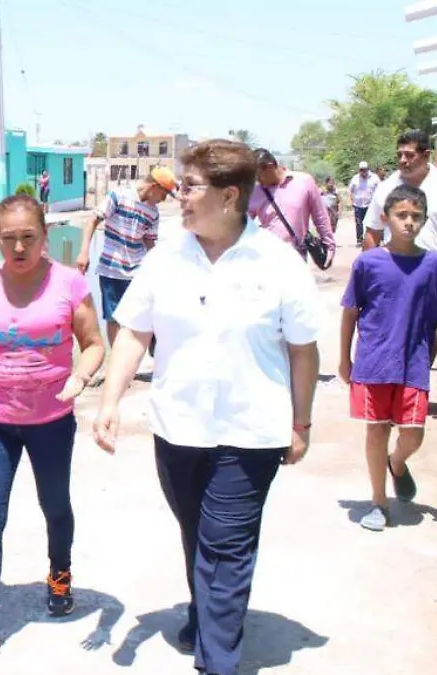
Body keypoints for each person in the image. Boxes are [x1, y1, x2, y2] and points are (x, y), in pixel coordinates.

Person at [93, 140, 322, 675]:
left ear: (229, 195)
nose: (180, 197)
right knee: (196, 532)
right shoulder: (166, 257)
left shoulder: (279, 263)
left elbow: (303, 349)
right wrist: (110, 400)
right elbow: (132, 333)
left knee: (226, 544)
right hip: (178, 426)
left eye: (191, 187)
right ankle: (207, 611)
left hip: (252, 431)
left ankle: (216, 661)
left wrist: (301, 422)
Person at [0, 194, 106, 666]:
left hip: (51, 420)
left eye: (29, 237)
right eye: (9, 239)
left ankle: (59, 574)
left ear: (45, 236)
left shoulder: (69, 283)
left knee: (55, 506)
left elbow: (93, 344)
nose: (19, 247)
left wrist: (80, 376)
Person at [340, 185, 437, 532]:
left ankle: (398, 463)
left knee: (413, 434)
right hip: (375, 361)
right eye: (401, 215)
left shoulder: (433, 265)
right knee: (376, 431)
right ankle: (378, 502)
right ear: (386, 218)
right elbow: (350, 313)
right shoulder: (368, 262)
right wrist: (344, 359)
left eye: (416, 216)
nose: (409, 223)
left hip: (414, 362)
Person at [75, 167, 177, 347]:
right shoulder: (118, 196)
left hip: (137, 271)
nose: (164, 199)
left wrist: (159, 270)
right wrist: (84, 252)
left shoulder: (153, 213)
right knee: (113, 318)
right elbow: (93, 220)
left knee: (139, 317)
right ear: (154, 186)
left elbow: (150, 244)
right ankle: (116, 363)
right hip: (111, 268)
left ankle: (141, 354)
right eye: (164, 193)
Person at [363, 130, 437, 285]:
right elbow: (372, 232)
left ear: (426, 155)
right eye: (399, 155)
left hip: (431, 276)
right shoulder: (385, 188)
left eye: (409, 155)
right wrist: (368, 275)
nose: (403, 160)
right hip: (391, 275)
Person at [248, 148, 336, 266]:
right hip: (267, 259)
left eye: (259, 176)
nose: (258, 180)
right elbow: (243, 224)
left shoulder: (304, 181)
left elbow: (320, 216)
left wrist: (329, 245)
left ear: (270, 167)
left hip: (297, 258)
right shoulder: (255, 192)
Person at [348, 161, 380, 245]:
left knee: (370, 222)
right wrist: (351, 201)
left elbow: (380, 190)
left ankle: (372, 240)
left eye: (364, 170)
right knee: (359, 223)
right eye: (361, 170)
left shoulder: (374, 178)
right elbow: (350, 191)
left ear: (368, 169)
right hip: (358, 205)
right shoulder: (355, 178)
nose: (363, 172)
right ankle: (359, 240)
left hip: (370, 205)